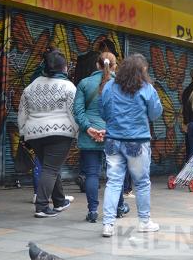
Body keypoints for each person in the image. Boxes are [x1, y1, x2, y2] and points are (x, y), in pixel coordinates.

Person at [100, 53, 163, 237]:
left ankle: (108, 224)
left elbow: (103, 113)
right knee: (142, 182)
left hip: (113, 140)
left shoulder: (109, 86)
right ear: (142, 71)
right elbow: (154, 114)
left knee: (113, 182)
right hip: (137, 142)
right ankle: (144, 221)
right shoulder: (147, 88)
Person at [18, 48, 78, 218]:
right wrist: (78, 133)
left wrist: (23, 133)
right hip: (60, 134)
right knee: (51, 169)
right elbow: (73, 113)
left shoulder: (31, 87)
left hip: (34, 134)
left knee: (49, 167)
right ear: (63, 68)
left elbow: (22, 113)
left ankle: (59, 202)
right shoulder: (68, 86)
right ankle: (42, 206)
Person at [73, 51, 129, 223]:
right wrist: (107, 131)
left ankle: (92, 212)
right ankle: (119, 207)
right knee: (115, 174)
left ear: (97, 65)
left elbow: (77, 111)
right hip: (113, 135)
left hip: (89, 135)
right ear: (114, 66)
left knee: (91, 174)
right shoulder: (120, 85)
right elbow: (123, 113)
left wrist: (89, 129)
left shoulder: (84, 83)